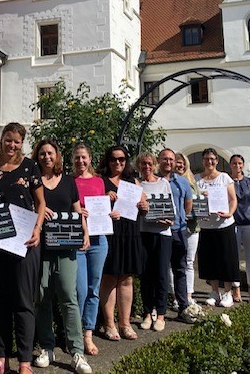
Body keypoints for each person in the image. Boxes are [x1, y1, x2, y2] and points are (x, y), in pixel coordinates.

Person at [0, 122, 46, 374]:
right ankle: (0, 358)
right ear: (2, 139)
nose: (12, 145)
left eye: (17, 141)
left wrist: (38, 229)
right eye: (8, 139)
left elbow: (40, 202)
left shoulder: (30, 167)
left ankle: (25, 361)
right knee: (0, 301)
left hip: (25, 242)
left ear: (22, 143)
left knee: (23, 302)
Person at [32, 139, 92, 374]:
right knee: (42, 297)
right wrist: (39, 208)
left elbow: (78, 210)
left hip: (67, 249)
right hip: (42, 249)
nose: (46, 157)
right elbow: (30, 208)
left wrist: (85, 232)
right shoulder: (34, 182)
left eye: (50, 153)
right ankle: (47, 347)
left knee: (69, 298)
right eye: (42, 153)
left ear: (57, 156)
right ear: (37, 157)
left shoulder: (68, 181)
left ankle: (77, 352)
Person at [98, 145, 147, 342]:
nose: (117, 163)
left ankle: (125, 323)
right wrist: (104, 198)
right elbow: (93, 206)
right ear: (107, 161)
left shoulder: (133, 182)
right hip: (110, 233)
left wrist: (145, 206)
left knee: (126, 279)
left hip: (130, 234)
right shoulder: (101, 182)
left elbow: (144, 207)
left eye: (121, 159)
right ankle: (109, 323)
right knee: (109, 279)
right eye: (113, 159)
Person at [72, 143, 108, 357]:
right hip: (76, 241)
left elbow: (103, 207)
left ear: (90, 159)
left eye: (84, 157)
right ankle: (75, 334)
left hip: (98, 240)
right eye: (77, 158)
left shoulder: (99, 181)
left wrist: (109, 213)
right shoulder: (68, 181)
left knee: (94, 289)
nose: (81, 162)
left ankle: (88, 332)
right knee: (79, 290)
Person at [195, 148, 239, 308]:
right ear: (202, 161)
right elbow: (193, 201)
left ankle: (227, 293)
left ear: (217, 161)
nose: (209, 161)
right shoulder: (196, 180)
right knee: (210, 259)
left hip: (224, 224)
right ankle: (214, 291)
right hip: (206, 226)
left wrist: (229, 213)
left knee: (226, 259)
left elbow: (233, 200)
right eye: (206, 159)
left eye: (212, 159)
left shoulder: (224, 178)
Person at [137, 152, 173, 333]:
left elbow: (171, 211)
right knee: (145, 276)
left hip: (162, 234)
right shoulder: (136, 185)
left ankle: (160, 314)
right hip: (143, 233)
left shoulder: (163, 183)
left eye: (149, 163)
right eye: (143, 164)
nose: (147, 167)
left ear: (155, 165)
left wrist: (167, 220)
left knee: (160, 275)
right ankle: (146, 313)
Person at [157, 149, 194, 324]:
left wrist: (180, 217)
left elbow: (188, 203)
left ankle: (183, 306)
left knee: (180, 269)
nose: (168, 162)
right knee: (161, 271)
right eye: (165, 159)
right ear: (159, 160)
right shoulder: (154, 181)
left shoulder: (182, 182)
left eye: (171, 159)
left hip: (179, 231)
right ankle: (159, 309)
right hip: (159, 232)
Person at [230, 154, 250, 302]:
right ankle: (237, 289)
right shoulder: (227, 181)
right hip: (233, 222)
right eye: (234, 163)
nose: (237, 165)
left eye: (240, 163)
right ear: (230, 165)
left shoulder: (249, 182)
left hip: (249, 222)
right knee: (235, 256)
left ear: (243, 165)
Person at [174, 152, 199, 305]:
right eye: (178, 162)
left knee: (189, 262)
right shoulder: (167, 181)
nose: (181, 165)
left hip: (192, 227)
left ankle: (188, 294)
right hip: (176, 227)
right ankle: (176, 296)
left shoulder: (193, 181)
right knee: (175, 263)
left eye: (183, 163)